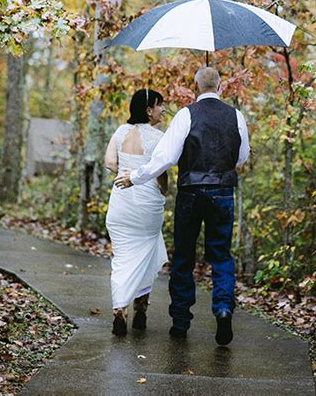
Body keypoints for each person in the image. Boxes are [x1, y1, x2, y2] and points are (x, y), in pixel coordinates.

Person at [115, 67, 250, 345]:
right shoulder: (236, 116)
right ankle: (223, 309)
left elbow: (165, 157)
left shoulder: (186, 114)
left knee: (184, 256)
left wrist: (136, 177)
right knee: (221, 255)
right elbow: (241, 156)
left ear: (195, 85)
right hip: (223, 191)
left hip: (191, 192)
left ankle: (180, 321)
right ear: (221, 86)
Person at [105, 88, 168, 336]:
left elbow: (110, 162)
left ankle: (120, 308)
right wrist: (164, 189)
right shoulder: (158, 136)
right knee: (147, 253)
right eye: (159, 105)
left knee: (122, 257)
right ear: (148, 110)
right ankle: (141, 309)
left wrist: (124, 172)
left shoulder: (120, 132)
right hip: (146, 203)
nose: (163, 109)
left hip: (120, 203)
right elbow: (161, 171)